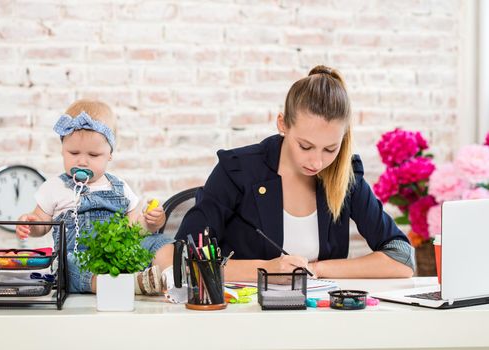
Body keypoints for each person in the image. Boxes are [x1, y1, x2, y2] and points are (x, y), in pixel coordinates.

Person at [175, 65, 415, 282]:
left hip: (320, 316)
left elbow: (402, 258)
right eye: (305, 146)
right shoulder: (237, 170)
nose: (317, 161)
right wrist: (266, 270)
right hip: (244, 318)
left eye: (330, 148)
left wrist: (316, 269)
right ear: (283, 124)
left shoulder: (345, 174)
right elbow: (184, 258)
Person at [15, 99, 174, 293]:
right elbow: (42, 222)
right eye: (73, 152)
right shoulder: (54, 187)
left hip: (120, 255)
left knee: (159, 243)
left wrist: (152, 223)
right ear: (62, 150)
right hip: (81, 259)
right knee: (66, 265)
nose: (82, 161)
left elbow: (135, 230)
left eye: (93, 155)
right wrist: (31, 223)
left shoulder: (120, 187)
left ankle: (171, 281)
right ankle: (129, 285)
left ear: (109, 155)